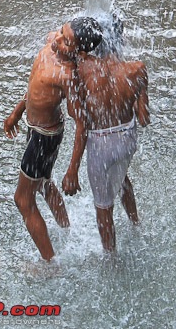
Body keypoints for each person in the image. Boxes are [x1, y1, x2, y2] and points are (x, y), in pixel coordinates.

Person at [4, 17, 103, 261]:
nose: (57, 39)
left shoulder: (68, 76)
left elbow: (82, 124)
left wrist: (73, 170)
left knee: (22, 200)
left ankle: (50, 263)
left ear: (78, 52)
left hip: (44, 138)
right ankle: (65, 227)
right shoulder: (53, 41)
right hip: (35, 126)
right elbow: (35, 85)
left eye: (66, 41)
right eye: (61, 31)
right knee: (43, 183)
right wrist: (18, 112)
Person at [62, 15, 149, 252]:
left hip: (100, 147)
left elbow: (77, 119)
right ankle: (135, 223)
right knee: (122, 179)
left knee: (103, 207)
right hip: (127, 141)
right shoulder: (137, 69)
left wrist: (72, 170)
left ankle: (111, 259)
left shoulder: (81, 70)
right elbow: (143, 118)